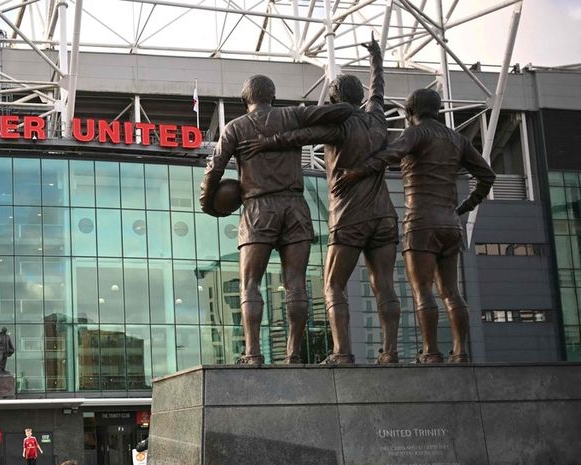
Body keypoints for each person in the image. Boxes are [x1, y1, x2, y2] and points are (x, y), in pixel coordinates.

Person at [238, 38, 401, 365]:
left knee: (333, 286)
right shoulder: (378, 117)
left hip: (350, 215)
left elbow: (300, 137)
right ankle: (391, 352)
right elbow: (379, 90)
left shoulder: (340, 124)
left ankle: (342, 353)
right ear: (362, 98)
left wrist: (265, 143)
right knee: (384, 285)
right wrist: (377, 60)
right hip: (385, 215)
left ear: (335, 99)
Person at [333, 88, 496, 363]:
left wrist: (357, 172)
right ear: (437, 109)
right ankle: (460, 352)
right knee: (451, 291)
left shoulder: (416, 133)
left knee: (423, 289)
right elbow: (487, 176)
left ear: (410, 114)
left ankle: (431, 352)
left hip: (421, 222)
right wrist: (464, 208)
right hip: (450, 223)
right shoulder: (457, 139)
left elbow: (388, 155)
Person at [200, 75, 353, 364]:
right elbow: (344, 111)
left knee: (250, 285)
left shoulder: (235, 127)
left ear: (245, 99)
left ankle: (253, 353)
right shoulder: (292, 115)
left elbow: (214, 169)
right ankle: (293, 353)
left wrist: (208, 204)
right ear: (273, 95)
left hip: (258, 208)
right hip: (295, 205)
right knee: (296, 283)